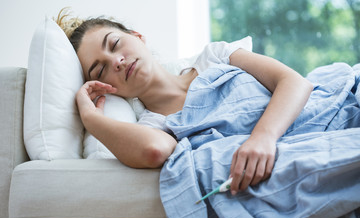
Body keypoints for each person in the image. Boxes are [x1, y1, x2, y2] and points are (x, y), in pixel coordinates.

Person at [56, 9, 313, 196]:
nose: (116, 62)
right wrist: (92, 119)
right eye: (100, 71)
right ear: (105, 89)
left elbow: (294, 82)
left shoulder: (215, 57)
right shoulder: (154, 126)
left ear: (138, 36)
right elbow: (155, 150)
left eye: (114, 44)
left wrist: (262, 138)